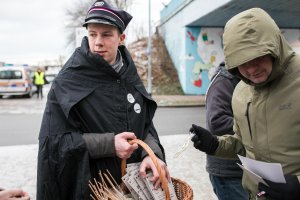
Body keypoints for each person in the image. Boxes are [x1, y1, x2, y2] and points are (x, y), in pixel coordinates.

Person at [36, 1, 169, 199]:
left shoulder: (128, 74)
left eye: (106, 34)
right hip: (92, 189)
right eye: (92, 34)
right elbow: (55, 144)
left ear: (121, 38)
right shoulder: (68, 80)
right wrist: (109, 144)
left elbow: (145, 126)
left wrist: (152, 155)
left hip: (133, 188)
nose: (98, 42)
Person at [190, 8, 300, 200]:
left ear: (275, 47)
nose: (251, 69)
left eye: (257, 58)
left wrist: (298, 185)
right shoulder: (240, 91)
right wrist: (215, 144)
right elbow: (244, 146)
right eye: (242, 62)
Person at [205, 62, 248, 200]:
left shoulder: (246, 78)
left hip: (246, 168)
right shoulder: (224, 80)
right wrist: (256, 125)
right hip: (229, 172)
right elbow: (217, 122)